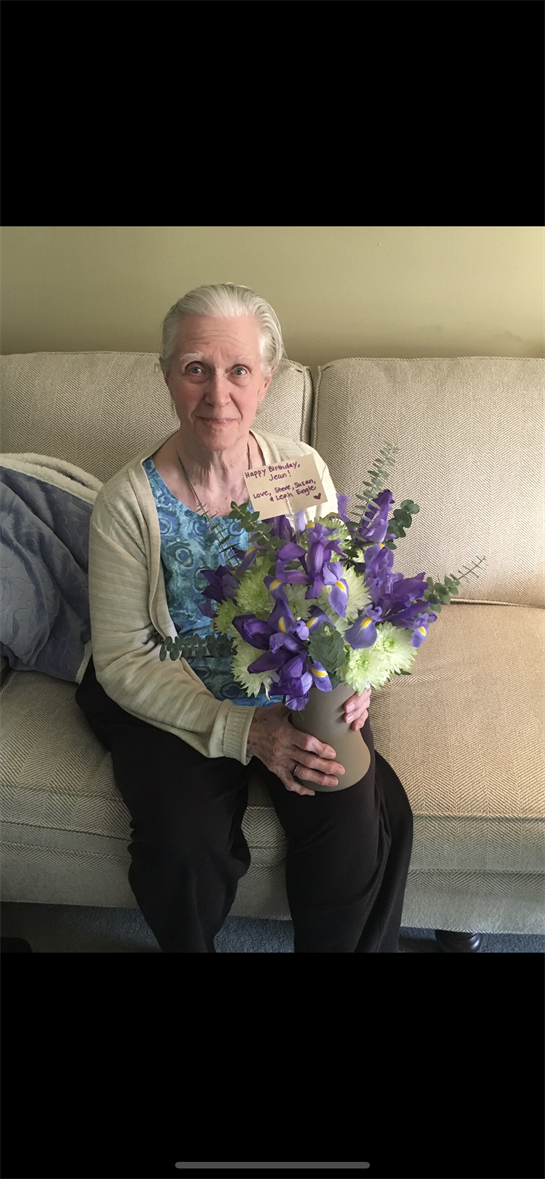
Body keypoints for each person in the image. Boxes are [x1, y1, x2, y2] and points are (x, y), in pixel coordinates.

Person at [76, 283, 413, 952]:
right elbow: (122, 658)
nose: (216, 393)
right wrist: (243, 731)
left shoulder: (296, 469)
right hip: (172, 692)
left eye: (238, 371)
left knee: (353, 814)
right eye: (195, 367)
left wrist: (355, 672)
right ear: (168, 375)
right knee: (182, 842)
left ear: (265, 380)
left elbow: (336, 592)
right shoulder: (126, 504)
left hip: (289, 685)